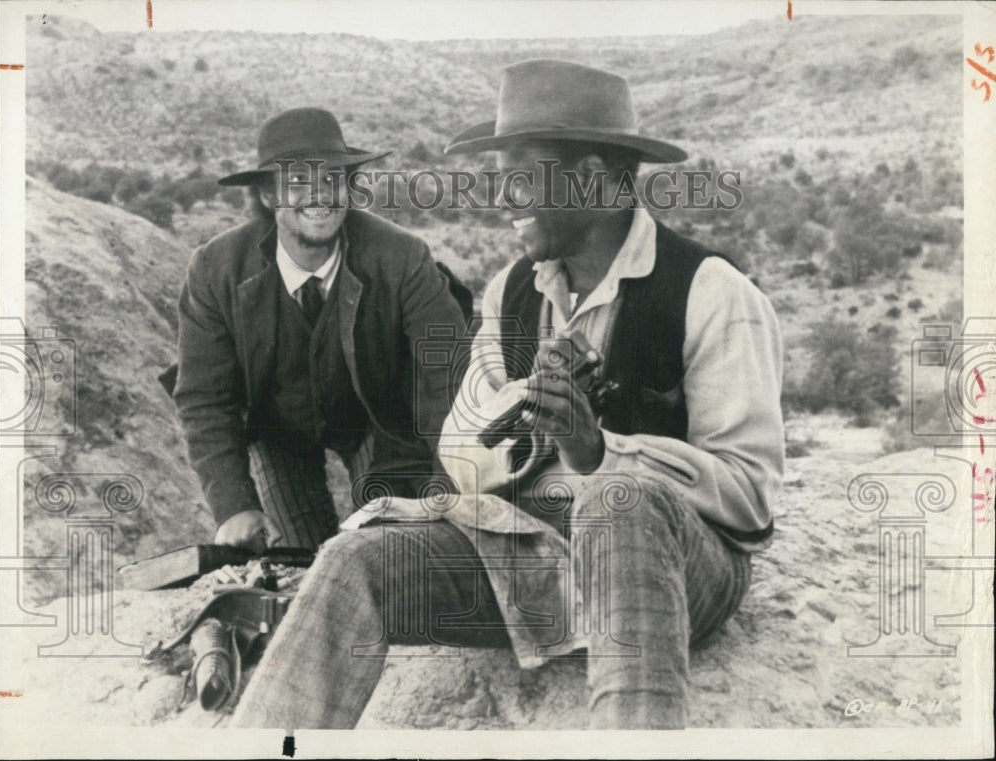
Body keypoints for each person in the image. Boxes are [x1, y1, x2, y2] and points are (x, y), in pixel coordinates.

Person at [229, 61, 783, 730]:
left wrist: (598, 450)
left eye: (521, 174)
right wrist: (520, 436)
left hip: (673, 574)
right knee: (353, 558)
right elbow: (463, 452)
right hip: (542, 560)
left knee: (621, 503)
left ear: (594, 180)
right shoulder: (511, 291)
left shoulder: (713, 293)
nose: (501, 195)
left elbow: (750, 499)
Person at [168, 107, 471, 552]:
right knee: (290, 562)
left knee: (387, 551)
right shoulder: (217, 270)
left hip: (382, 422)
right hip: (277, 430)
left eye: (332, 180)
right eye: (298, 183)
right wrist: (233, 504)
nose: (320, 195)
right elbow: (205, 397)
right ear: (269, 196)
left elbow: (444, 378)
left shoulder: (402, 257)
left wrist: (445, 486)